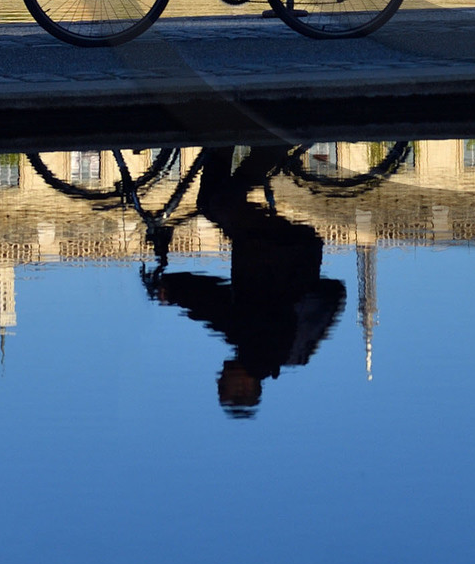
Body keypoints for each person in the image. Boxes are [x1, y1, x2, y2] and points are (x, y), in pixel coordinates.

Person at [141, 145, 346, 413]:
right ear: (244, 387)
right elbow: (216, 308)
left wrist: (177, 291)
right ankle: (269, 144)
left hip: (287, 251)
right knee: (221, 202)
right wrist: (173, 291)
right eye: (222, 386)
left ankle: (224, 142)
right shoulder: (259, 349)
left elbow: (219, 312)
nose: (218, 378)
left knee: (212, 202)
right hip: (279, 248)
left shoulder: (270, 352)